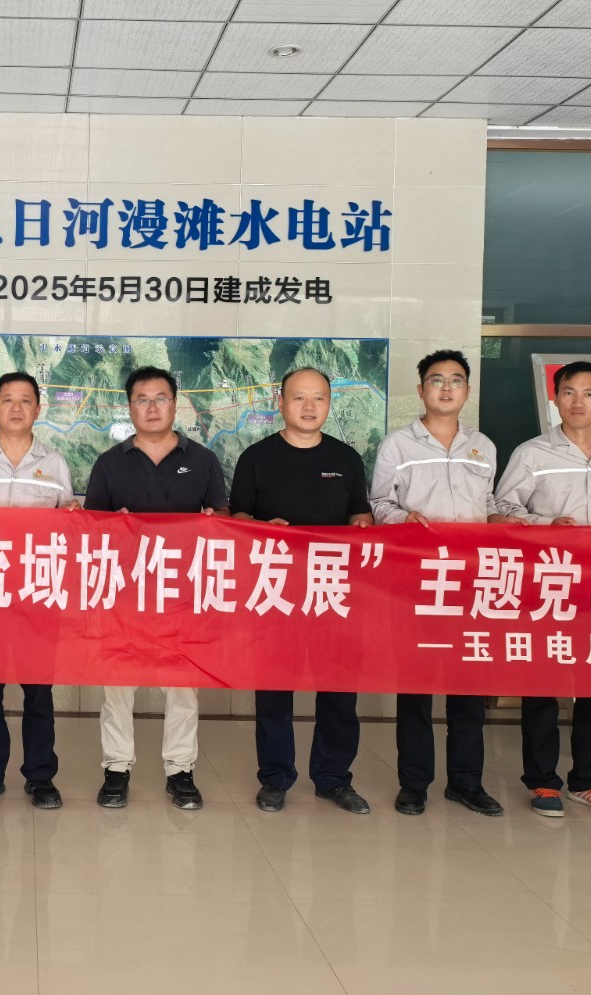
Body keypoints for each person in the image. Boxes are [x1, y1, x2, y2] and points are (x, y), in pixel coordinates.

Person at [494, 359, 591, 818]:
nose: (578, 401)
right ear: (556, 397)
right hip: (549, 581)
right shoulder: (532, 453)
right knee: (542, 685)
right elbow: (503, 509)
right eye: (568, 392)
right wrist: (546, 524)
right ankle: (542, 782)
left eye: (588, 393)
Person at [84, 365, 229, 811]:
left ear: (175, 404)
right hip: (124, 593)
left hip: (181, 593)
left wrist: (213, 522)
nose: (152, 407)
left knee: (182, 686)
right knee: (118, 685)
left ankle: (180, 771)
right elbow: (91, 529)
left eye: (160, 398)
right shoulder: (109, 463)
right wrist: (114, 526)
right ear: (129, 408)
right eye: (142, 399)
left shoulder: (202, 460)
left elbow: (223, 521)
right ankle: (116, 769)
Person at [231, 367, 374, 816]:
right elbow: (237, 519)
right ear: (281, 402)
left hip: (334, 591)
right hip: (275, 591)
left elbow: (360, 514)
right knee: (275, 690)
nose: (309, 407)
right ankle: (275, 778)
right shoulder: (257, 457)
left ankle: (334, 779)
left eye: (319, 398)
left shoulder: (346, 458)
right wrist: (261, 527)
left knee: (339, 691)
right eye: (299, 397)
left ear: (329, 404)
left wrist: (362, 526)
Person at [369, 350, 505, 818]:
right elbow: (379, 503)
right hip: (419, 581)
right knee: (417, 688)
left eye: (456, 380)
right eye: (437, 380)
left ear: (467, 390)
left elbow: (489, 503)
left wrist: (503, 522)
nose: (447, 388)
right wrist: (403, 518)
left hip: (473, 581)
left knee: (469, 687)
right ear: (421, 389)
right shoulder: (398, 445)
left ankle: (466, 783)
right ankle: (414, 784)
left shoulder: (482, 446)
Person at [0, 371, 81, 811]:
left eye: (26, 400)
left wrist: (74, 513)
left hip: (38, 594)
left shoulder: (55, 463)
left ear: (38, 409)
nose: (17, 408)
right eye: (8, 399)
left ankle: (40, 777)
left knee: (38, 691)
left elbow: (67, 527)